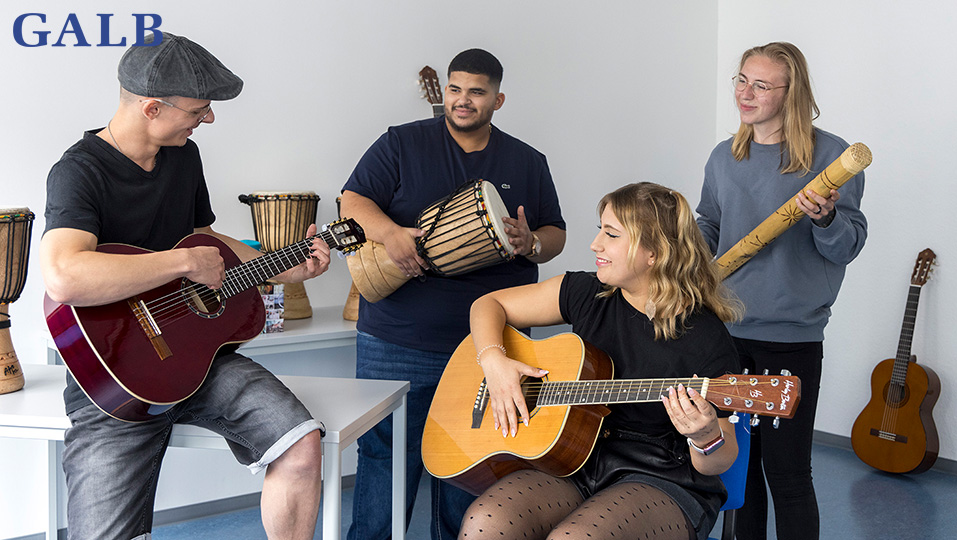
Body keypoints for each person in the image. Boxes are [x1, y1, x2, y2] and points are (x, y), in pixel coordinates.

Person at [40, 33, 331, 540]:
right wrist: (180, 262)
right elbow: (64, 275)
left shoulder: (183, 156)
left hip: (198, 364)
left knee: (301, 442)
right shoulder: (78, 171)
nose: (209, 119)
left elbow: (206, 241)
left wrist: (286, 267)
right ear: (152, 108)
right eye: (199, 109)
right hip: (114, 382)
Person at [339, 48, 566, 540]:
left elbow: (556, 234)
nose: (463, 100)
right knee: (383, 456)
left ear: (498, 100)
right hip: (396, 338)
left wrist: (532, 242)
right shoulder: (401, 142)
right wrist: (390, 233)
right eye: (455, 88)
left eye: (476, 92)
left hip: (492, 346)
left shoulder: (528, 160)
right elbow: (352, 200)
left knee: (475, 460)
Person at [461, 182, 742, 540]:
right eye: (600, 231)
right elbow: (487, 305)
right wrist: (494, 363)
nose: (595, 244)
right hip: (572, 460)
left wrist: (704, 436)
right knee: (485, 522)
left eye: (611, 234)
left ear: (653, 252)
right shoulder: (586, 293)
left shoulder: (706, 337)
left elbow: (718, 460)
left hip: (660, 476)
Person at [696, 42, 868, 540]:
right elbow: (711, 224)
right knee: (740, 470)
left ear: (792, 94)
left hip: (791, 337)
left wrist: (826, 218)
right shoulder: (725, 156)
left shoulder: (833, 157)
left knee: (788, 473)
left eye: (760, 85)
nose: (744, 94)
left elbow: (848, 246)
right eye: (741, 80)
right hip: (726, 331)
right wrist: (690, 253)